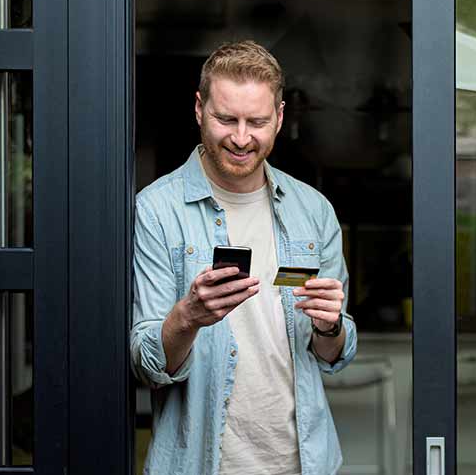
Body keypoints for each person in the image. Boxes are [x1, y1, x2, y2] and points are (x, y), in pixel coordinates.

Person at [130, 40, 357, 475]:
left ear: (280, 118)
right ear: (199, 110)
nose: (240, 137)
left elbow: (332, 354)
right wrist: (188, 317)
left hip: (303, 462)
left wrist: (330, 325)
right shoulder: (157, 210)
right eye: (225, 119)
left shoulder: (312, 211)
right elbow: (148, 363)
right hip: (202, 463)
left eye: (256, 121)